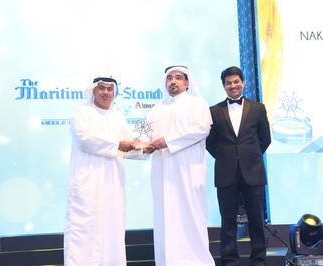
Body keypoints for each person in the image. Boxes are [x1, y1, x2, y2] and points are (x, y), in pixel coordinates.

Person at [145, 66, 215, 266]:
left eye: (178, 78)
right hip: (161, 173)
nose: (173, 82)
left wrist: (167, 140)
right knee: (165, 218)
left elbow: (201, 129)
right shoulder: (156, 109)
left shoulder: (197, 103)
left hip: (187, 172)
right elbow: (143, 136)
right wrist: (137, 146)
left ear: (187, 82)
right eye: (169, 78)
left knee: (190, 216)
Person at [64, 77, 136, 266]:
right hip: (87, 180)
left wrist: (146, 147)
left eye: (110, 89)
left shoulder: (118, 116)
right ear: (93, 91)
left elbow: (131, 143)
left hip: (112, 182)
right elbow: (84, 140)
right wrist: (118, 144)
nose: (106, 92)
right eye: (101, 88)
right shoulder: (82, 112)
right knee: (84, 228)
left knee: (113, 227)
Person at [206, 66, 271, 266]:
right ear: (224, 86)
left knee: (257, 222)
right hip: (226, 174)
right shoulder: (214, 111)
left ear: (243, 82)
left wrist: (248, 157)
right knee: (227, 223)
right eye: (228, 83)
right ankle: (229, 261)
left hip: (253, 172)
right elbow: (210, 143)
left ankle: (258, 261)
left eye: (236, 81)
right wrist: (227, 157)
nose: (232, 86)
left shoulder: (258, 108)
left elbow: (265, 139)